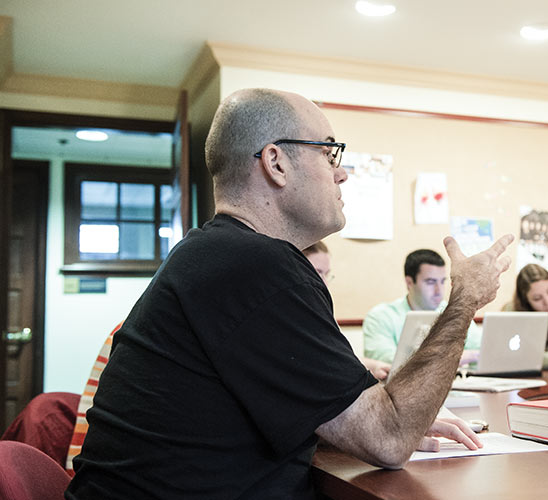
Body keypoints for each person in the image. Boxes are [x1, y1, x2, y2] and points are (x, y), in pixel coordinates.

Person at [65, 88, 514, 500]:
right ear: (276, 163)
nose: (342, 173)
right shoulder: (257, 266)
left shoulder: (215, 254)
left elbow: (330, 415)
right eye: (329, 152)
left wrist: (385, 416)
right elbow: (389, 438)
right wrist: (463, 301)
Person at [362, 249, 482, 366]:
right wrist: (456, 357)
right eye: (430, 282)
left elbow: (481, 350)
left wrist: (466, 356)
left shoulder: (452, 311)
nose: (439, 290)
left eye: (442, 281)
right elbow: (390, 361)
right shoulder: (381, 316)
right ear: (409, 282)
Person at [302, 241, 392, 380]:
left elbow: (336, 355)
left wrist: (374, 366)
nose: (324, 283)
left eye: (327, 274)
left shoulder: (322, 309)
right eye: (318, 272)